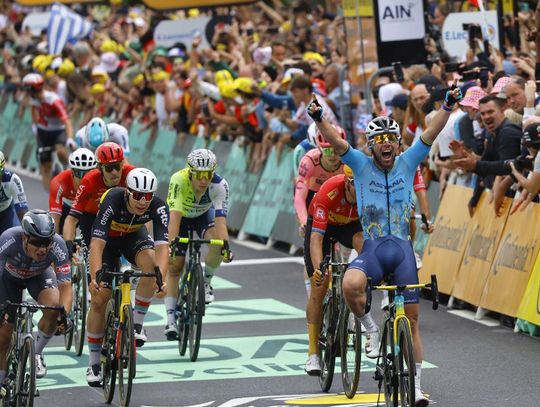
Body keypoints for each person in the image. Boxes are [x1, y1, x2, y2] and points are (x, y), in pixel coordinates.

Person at [307, 86, 462, 406]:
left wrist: (447, 104)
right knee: (350, 284)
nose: (386, 144)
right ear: (371, 146)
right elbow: (337, 142)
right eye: (379, 141)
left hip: (402, 248)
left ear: (398, 143)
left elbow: (432, 132)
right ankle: (371, 330)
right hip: (374, 248)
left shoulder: (409, 161)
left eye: (390, 139)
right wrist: (320, 116)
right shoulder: (360, 166)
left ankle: (416, 388)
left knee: (414, 320)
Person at [85, 168, 167, 386]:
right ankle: (93, 363)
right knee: (100, 298)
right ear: (128, 192)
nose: (143, 201)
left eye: (147, 196)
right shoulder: (112, 201)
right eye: (138, 195)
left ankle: (137, 325)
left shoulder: (158, 207)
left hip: (133, 237)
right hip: (107, 244)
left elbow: (162, 247)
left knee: (151, 267)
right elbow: (96, 245)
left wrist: (163, 280)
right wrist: (94, 278)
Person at [303, 166, 368, 375]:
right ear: (347, 183)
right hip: (323, 227)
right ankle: (313, 353)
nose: (360, 191)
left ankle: (357, 309)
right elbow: (316, 239)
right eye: (355, 187)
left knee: (363, 243)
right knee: (319, 286)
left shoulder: (368, 193)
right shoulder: (330, 191)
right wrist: (318, 270)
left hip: (349, 226)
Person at [164, 149, 232, 340]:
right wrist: (171, 246)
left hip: (203, 216)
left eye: (208, 175)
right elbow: (175, 219)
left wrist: (225, 247)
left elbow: (221, 221)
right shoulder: (179, 180)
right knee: (175, 266)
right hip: (181, 218)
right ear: (190, 173)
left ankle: (207, 282)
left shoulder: (220, 185)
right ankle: (170, 319)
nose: (204, 180)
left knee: (217, 245)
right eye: (200, 175)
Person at [0, 210, 71, 380]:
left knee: (54, 309)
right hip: (8, 280)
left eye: (46, 243)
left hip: (38, 276)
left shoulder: (58, 245)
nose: (42, 249)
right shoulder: (8, 239)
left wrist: (64, 314)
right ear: (24, 237)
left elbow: (66, 287)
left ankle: (36, 354)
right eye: (36, 242)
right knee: (3, 337)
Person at [294, 126, 345, 296]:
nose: (332, 154)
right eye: (327, 149)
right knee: (310, 246)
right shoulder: (309, 161)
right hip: (313, 200)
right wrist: (302, 221)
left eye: (336, 149)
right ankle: (312, 294)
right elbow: (300, 197)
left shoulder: (348, 159)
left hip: (338, 199)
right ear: (319, 148)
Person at [62, 142, 135, 250]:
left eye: (117, 166)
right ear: (100, 168)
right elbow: (71, 219)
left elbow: (147, 210)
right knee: (93, 256)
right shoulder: (89, 181)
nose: (114, 172)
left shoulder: (132, 175)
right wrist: (68, 244)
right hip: (91, 217)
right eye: (109, 168)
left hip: (119, 217)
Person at [22, 73, 75, 191]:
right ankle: (51, 196)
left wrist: (70, 138)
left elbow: (67, 121)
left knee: (61, 151)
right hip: (43, 132)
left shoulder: (53, 100)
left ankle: (71, 171)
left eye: (28, 90)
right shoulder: (33, 98)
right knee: (45, 167)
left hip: (58, 131)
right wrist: (35, 125)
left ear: (33, 89)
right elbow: (34, 110)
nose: (27, 93)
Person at [49, 148, 96, 233]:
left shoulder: (98, 181)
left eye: (88, 173)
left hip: (88, 209)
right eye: (80, 173)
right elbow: (55, 219)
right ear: (72, 172)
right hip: (68, 208)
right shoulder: (59, 182)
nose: (84, 178)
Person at [0, 151, 28, 234]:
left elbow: (22, 211)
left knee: (11, 236)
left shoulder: (13, 180)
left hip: (6, 213)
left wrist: (28, 233)